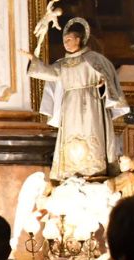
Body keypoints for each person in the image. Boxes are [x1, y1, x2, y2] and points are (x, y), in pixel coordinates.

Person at [20, 18, 128, 180]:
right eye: (64, 40)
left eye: (69, 39)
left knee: (92, 133)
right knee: (71, 136)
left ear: (79, 39)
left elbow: (107, 78)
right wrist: (32, 60)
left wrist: (103, 85)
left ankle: (95, 169)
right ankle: (71, 170)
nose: (66, 43)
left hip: (90, 103)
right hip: (70, 105)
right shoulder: (63, 64)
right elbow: (48, 72)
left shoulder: (94, 59)